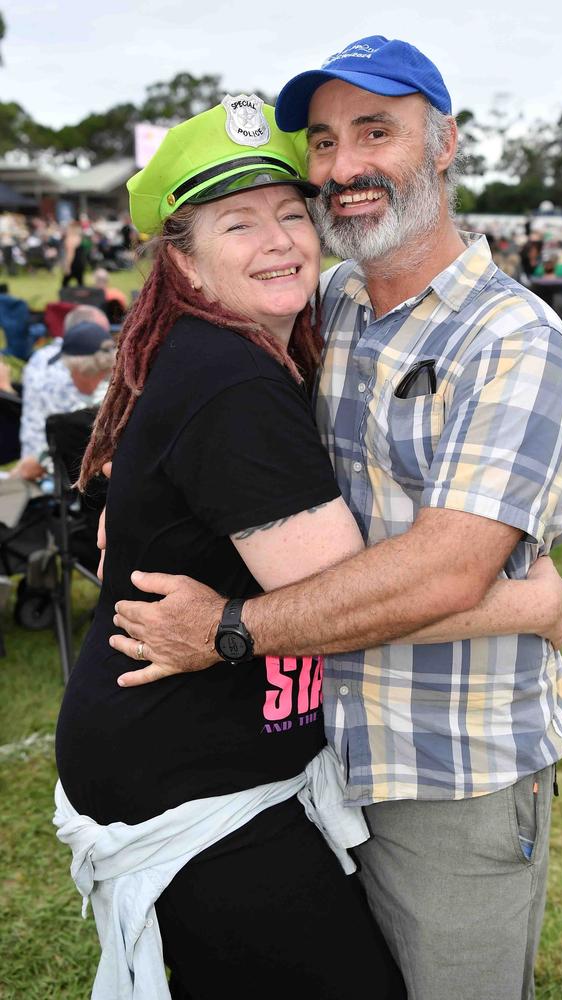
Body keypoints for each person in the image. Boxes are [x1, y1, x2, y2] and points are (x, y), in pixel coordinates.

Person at [108, 39, 562, 1000]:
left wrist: (229, 631)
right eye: (322, 143)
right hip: (320, 757)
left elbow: (442, 573)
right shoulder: (329, 303)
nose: (342, 168)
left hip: (451, 769)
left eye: (378, 132)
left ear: (444, 144)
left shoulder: (514, 339)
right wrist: (525, 603)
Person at [55, 99, 411, 1000]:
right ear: (183, 257)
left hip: (192, 757)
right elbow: (352, 602)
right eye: (238, 222)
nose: (280, 240)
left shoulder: (215, 349)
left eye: (292, 213)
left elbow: (112, 507)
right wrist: (526, 595)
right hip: (191, 782)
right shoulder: (231, 379)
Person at [12, 321, 114, 481]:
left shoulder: (87, 413)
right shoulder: (117, 394)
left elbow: (38, 465)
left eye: (71, 371)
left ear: (83, 371)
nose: (71, 377)